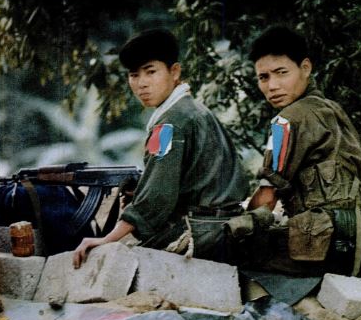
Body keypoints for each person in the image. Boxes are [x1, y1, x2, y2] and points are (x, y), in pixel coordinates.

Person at [73, 28, 249, 268]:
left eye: (151, 72)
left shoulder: (169, 124)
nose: (141, 84)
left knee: (116, 260)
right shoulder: (195, 110)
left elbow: (156, 197)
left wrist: (106, 239)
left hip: (202, 235)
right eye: (134, 75)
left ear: (174, 72)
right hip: (225, 226)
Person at [244, 25, 361, 277]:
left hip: (323, 249)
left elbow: (267, 197)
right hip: (360, 243)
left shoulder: (286, 121)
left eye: (281, 73)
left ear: (306, 68)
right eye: (264, 77)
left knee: (231, 251)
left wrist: (242, 225)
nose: (272, 86)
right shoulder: (332, 108)